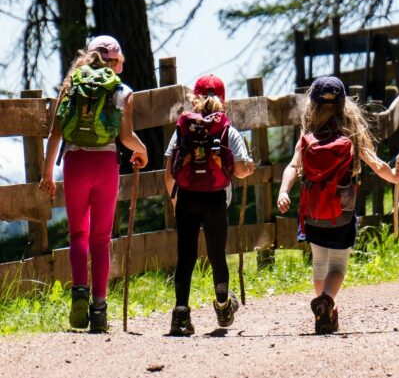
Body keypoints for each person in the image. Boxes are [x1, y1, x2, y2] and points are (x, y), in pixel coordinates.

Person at [277, 75, 399, 334]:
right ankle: (327, 301)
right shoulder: (351, 133)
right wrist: (393, 176)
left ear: (311, 105)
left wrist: (283, 191)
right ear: (343, 104)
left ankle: (324, 312)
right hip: (342, 214)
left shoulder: (308, 134)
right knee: (338, 266)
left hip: (313, 214)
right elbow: (375, 163)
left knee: (319, 265)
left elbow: (293, 166)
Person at [39, 35, 148, 332]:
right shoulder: (122, 90)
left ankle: (79, 293)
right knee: (101, 239)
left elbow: (55, 134)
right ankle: (99, 309)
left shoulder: (71, 84)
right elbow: (125, 137)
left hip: (75, 164)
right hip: (105, 165)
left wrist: (47, 174)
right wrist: (142, 151)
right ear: (118, 62)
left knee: (78, 235)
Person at [164, 74, 255, 336]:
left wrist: (174, 200)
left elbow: (169, 171)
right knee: (217, 256)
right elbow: (239, 170)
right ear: (223, 100)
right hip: (215, 199)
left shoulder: (183, 129)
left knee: (186, 257)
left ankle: (180, 315)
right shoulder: (227, 130)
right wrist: (249, 168)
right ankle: (224, 306)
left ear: (194, 98)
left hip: (187, 198)